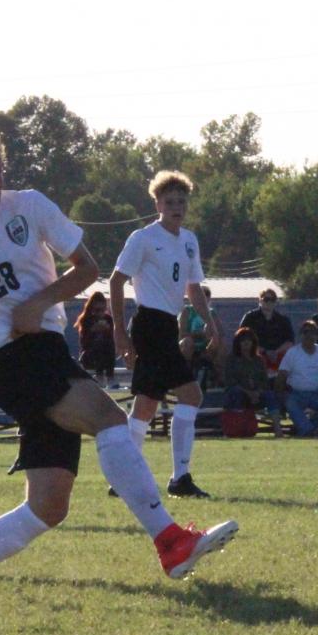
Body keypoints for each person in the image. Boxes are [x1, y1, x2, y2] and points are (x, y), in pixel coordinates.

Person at [0, 120, 236, 583]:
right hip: (11, 359)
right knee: (110, 420)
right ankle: (170, 541)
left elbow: (89, 268)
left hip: (48, 349)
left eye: (0, 170)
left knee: (47, 506)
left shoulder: (31, 206)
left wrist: (39, 301)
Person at [109, 170, 219, 499]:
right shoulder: (143, 238)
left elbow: (193, 287)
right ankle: (175, 478)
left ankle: (127, 479)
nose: (176, 207)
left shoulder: (188, 240)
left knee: (146, 405)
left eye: (181, 201)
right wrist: (119, 330)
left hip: (167, 325)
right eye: (169, 201)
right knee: (187, 395)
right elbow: (116, 281)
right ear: (156, 203)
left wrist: (210, 324)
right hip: (149, 325)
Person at [274, 320, 318, 437]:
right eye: (306, 332)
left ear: (317, 336)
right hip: (296, 394)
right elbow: (282, 375)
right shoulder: (292, 352)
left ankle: (305, 429)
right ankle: (309, 430)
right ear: (300, 335)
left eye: (313, 332)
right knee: (290, 403)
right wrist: (280, 395)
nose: (310, 335)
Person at [221, 327, 281, 427]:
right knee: (236, 392)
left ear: (253, 342)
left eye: (249, 340)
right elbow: (230, 382)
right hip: (239, 394)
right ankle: (239, 426)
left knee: (270, 395)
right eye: (243, 340)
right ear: (237, 343)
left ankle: (277, 428)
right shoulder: (231, 359)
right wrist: (248, 393)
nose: (246, 343)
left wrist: (257, 392)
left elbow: (264, 381)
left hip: (258, 395)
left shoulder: (259, 360)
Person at [238, 288, 295, 370]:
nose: (269, 302)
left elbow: (290, 341)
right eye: (266, 299)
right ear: (260, 301)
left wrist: (276, 352)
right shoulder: (250, 318)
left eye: (272, 300)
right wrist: (264, 352)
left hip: (278, 360)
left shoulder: (283, 320)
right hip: (254, 359)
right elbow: (241, 338)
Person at [178, 285, 221, 387]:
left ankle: (216, 376)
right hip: (187, 345)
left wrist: (213, 337)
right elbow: (181, 333)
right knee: (187, 342)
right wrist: (199, 335)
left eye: (206, 296)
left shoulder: (212, 313)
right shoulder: (187, 311)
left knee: (220, 343)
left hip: (205, 346)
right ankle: (187, 373)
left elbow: (219, 333)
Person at [75, 291, 117, 386]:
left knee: (107, 345)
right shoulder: (86, 320)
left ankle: (110, 376)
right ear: (92, 309)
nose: (100, 313)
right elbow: (84, 343)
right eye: (97, 310)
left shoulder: (108, 319)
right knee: (99, 344)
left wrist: (106, 330)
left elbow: (111, 340)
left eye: (103, 310)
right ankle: (100, 376)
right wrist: (92, 331)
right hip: (89, 355)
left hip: (105, 354)